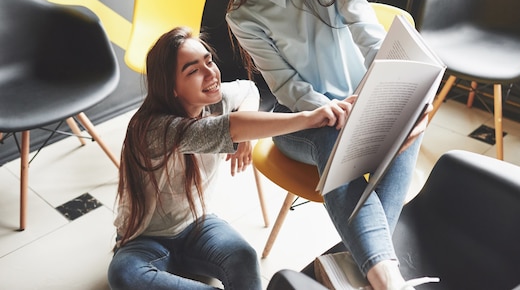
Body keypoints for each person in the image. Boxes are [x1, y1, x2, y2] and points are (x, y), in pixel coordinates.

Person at [226, 0, 431, 290]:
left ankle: (373, 276)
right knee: (332, 135)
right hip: (301, 122)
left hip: (363, 103)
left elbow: (371, 37)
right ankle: (384, 277)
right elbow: (286, 86)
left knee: (411, 116)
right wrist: (330, 111)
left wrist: (395, 89)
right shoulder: (244, 14)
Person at [107, 26, 355, 290]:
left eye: (208, 61)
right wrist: (309, 118)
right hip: (143, 241)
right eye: (193, 70)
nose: (210, 73)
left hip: (197, 225)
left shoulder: (214, 100)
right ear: (172, 89)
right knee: (123, 274)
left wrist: (247, 138)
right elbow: (227, 127)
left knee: (243, 256)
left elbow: (248, 90)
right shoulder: (153, 129)